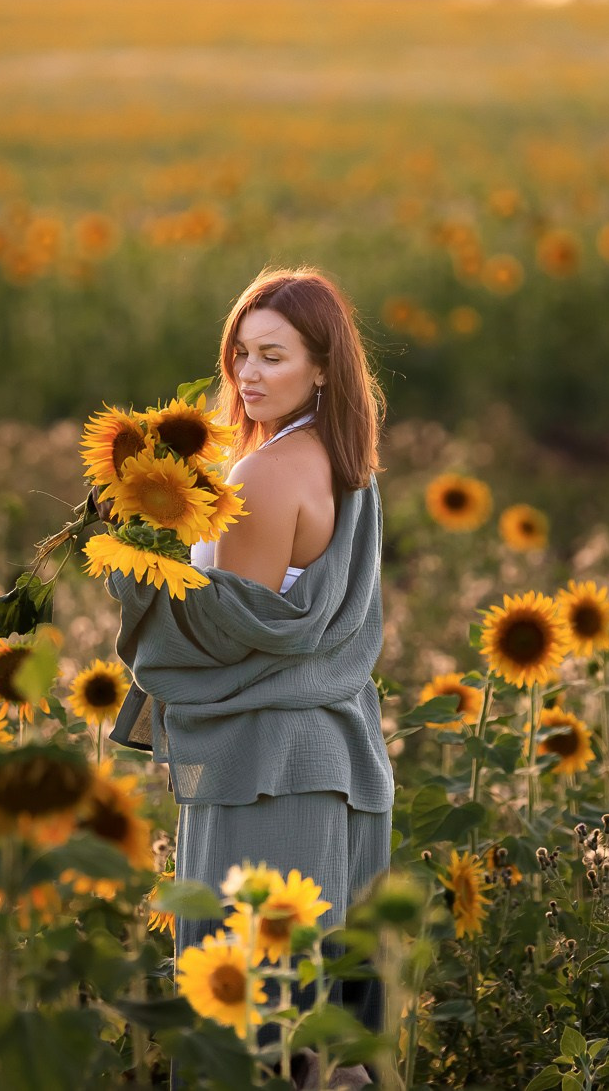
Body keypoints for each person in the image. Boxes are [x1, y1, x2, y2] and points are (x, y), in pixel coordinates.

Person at [106, 266, 393, 1089]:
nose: (248, 375)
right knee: (326, 1026)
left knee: (259, 1027)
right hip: (335, 758)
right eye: (240, 353)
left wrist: (134, 563)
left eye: (273, 355)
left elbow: (226, 636)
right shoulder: (343, 462)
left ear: (325, 365)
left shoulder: (264, 476)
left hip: (266, 769)